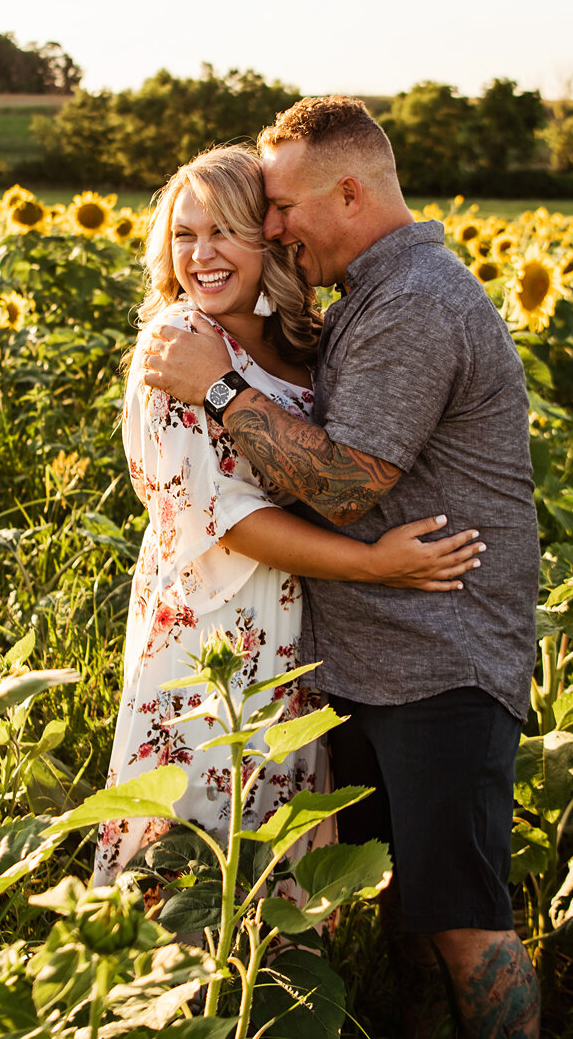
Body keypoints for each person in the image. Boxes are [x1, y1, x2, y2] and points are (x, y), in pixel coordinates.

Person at [142, 98, 541, 1039]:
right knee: (408, 905)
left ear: (351, 191)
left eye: (279, 207)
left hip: (439, 658)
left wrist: (221, 386)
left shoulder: (415, 300)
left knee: (463, 918)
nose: (272, 225)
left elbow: (345, 483)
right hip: (369, 659)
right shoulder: (362, 292)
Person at [94, 145, 485, 889]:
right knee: (192, 858)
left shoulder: (311, 339)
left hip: (301, 646)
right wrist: (376, 563)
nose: (201, 254)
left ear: (267, 238)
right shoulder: (178, 344)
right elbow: (226, 519)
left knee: (280, 861)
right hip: (213, 639)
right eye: (184, 234)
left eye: (224, 231)